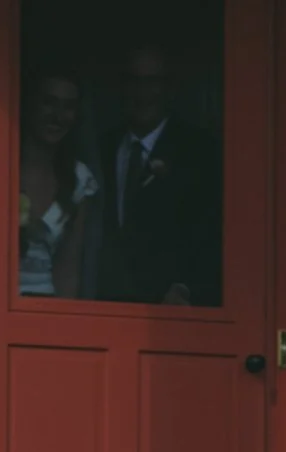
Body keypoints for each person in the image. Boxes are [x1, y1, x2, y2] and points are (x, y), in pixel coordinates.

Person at [97, 42, 223, 306]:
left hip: (168, 310)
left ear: (169, 88)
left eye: (152, 81)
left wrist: (185, 287)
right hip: (104, 304)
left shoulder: (198, 151)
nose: (142, 93)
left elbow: (209, 232)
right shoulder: (103, 147)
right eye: (134, 81)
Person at [18, 71, 98, 297]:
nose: (58, 116)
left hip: (46, 306)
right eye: (49, 103)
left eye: (68, 107)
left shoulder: (79, 178)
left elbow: (68, 270)